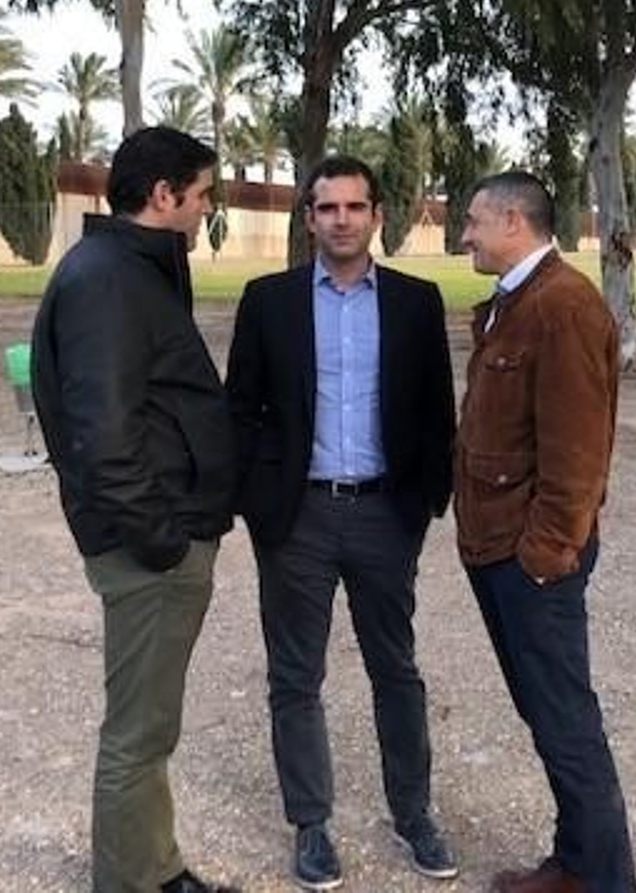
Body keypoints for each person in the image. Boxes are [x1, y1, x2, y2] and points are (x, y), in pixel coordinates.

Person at [226, 155, 458, 891]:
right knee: (296, 676)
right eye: (327, 208)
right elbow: (242, 410)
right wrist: (258, 501)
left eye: (355, 207)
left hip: (387, 515)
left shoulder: (419, 303)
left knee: (397, 669)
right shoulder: (268, 301)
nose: (342, 220)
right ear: (309, 220)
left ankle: (414, 814)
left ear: (377, 215)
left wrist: (424, 503)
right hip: (298, 519)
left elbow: (435, 411)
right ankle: (311, 825)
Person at [31, 127, 238, 893]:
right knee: (139, 733)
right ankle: (130, 882)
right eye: (203, 193)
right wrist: (162, 540)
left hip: (166, 533)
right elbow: (103, 433)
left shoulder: (135, 266)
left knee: (150, 727)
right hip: (152, 546)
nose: (206, 206)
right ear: (165, 195)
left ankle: (156, 866)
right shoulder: (108, 279)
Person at [453, 172, 636, 893]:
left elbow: (576, 454)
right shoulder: (516, 302)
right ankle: (576, 865)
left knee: (567, 723)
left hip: (530, 561)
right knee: (548, 715)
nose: (463, 234)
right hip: (497, 547)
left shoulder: (562, 307)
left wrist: (545, 554)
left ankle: (607, 882)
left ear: (513, 222)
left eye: (473, 222)